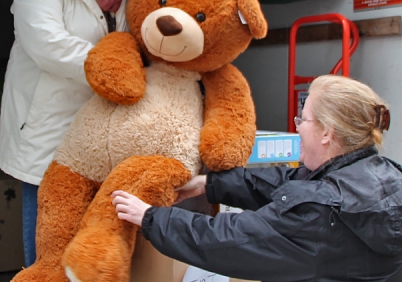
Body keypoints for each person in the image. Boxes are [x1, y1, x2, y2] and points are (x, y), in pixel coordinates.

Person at [112, 74, 402, 281]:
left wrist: (150, 218)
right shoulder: (385, 175)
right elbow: (290, 182)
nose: (297, 127)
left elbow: (231, 240)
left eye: (304, 120)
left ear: (327, 133)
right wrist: (209, 185)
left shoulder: (321, 212)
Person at [0, 0, 136, 267]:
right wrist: (110, 67)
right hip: (47, 124)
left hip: (97, 125)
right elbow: (45, 42)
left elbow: (138, 35)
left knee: (91, 239)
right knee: (48, 242)